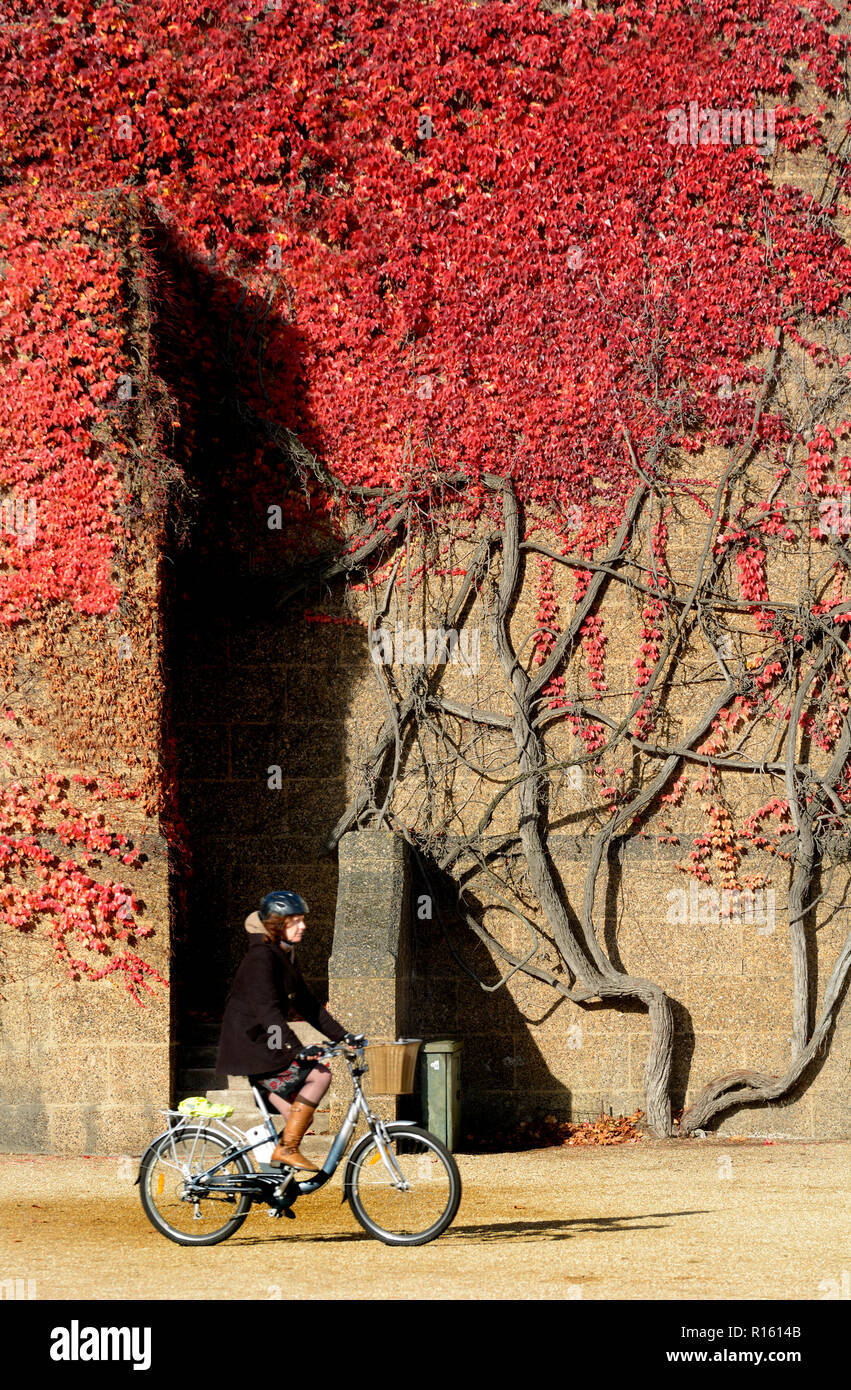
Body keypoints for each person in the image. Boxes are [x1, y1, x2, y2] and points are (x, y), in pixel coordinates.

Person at [215, 889, 358, 1171]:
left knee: (298, 1117)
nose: (302, 926)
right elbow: (268, 1013)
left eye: (301, 920)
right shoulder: (261, 958)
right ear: (276, 925)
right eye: (294, 921)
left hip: (264, 1043)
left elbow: (308, 1004)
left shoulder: (283, 955)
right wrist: (297, 1050)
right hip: (253, 1044)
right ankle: (286, 1148)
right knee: (320, 1075)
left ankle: (277, 1177)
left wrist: (345, 1037)